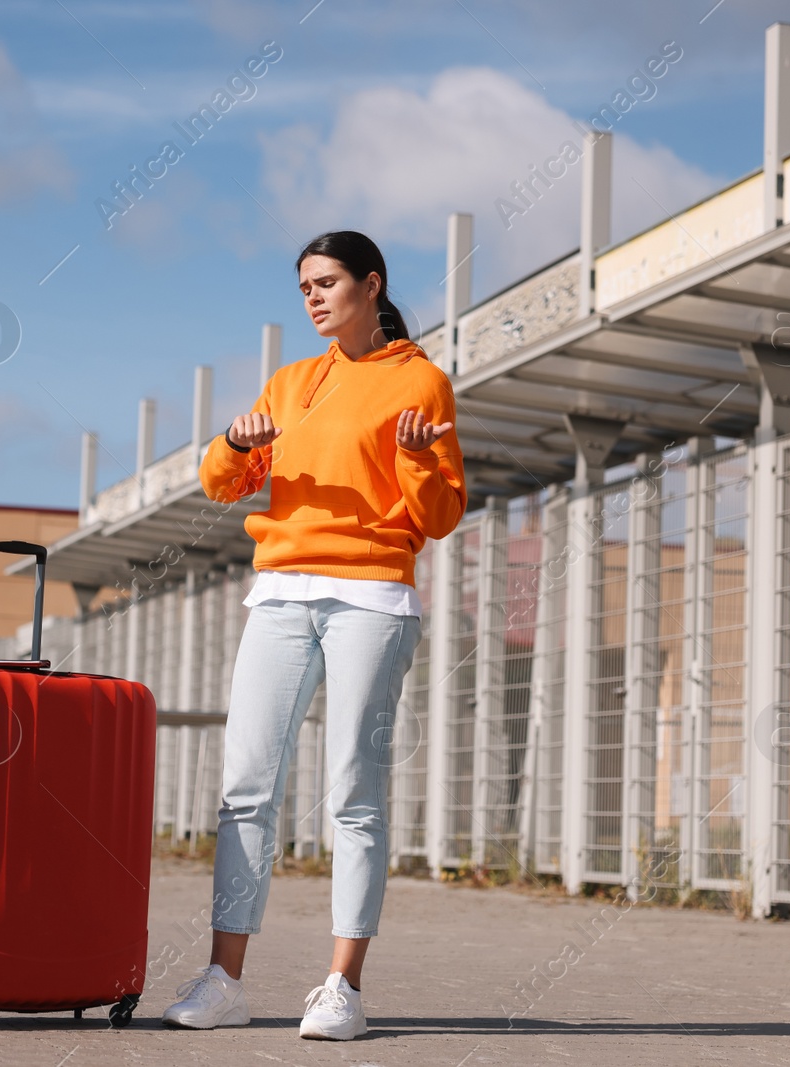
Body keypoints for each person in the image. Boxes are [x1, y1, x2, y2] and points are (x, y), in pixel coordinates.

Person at [162, 230, 467, 1040]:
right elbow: (223, 483)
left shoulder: (421, 382)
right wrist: (237, 442)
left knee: (353, 792)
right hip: (282, 592)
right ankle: (225, 979)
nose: (314, 298)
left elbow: (438, 516)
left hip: (372, 595)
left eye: (327, 282)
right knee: (246, 787)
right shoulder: (293, 382)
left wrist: (412, 461)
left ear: (372, 286)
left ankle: (342, 986)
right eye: (304, 287)